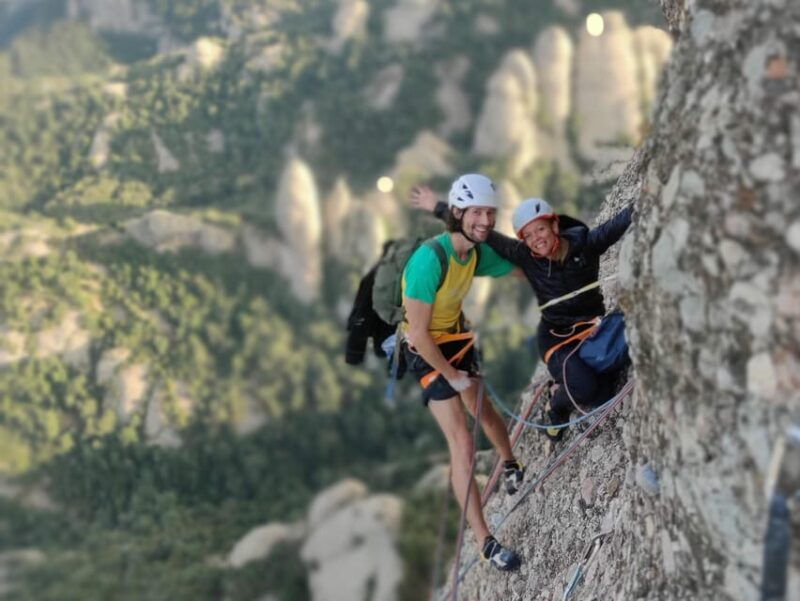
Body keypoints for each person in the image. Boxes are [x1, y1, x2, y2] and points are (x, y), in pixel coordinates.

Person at [412, 188, 632, 442]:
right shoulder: (525, 256)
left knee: (608, 378)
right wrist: (437, 206)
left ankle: (571, 381)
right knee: (593, 390)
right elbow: (483, 233)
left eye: (540, 229)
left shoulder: (585, 244)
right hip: (556, 341)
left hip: (592, 329)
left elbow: (617, 224)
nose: (536, 239)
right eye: (527, 235)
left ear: (554, 224)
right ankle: (557, 407)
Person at [402, 173, 523, 571]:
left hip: (456, 339)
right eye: (476, 212)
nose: (485, 220)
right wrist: (451, 377)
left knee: (486, 414)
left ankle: (510, 464)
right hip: (427, 351)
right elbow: (418, 334)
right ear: (458, 213)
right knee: (463, 444)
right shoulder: (428, 260)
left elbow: (518, 267)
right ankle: (487, 542)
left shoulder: (475, 254)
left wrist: (553, 268)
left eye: (490, 212)